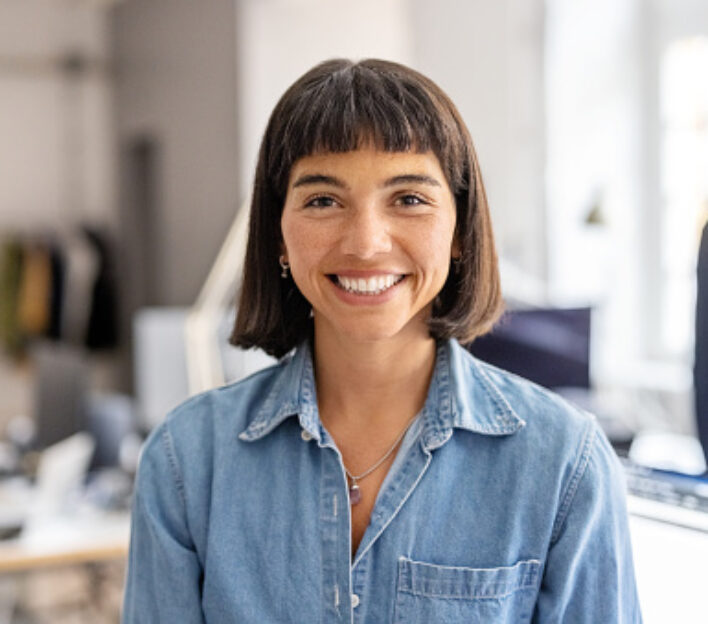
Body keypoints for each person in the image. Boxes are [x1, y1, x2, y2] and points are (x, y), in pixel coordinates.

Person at [122, 59, 641, 623]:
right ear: (278, 233)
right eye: (323, 200)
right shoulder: (187, 461)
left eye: (409, 199)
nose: (366, 244)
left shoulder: (566, 465)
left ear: (460, 232)